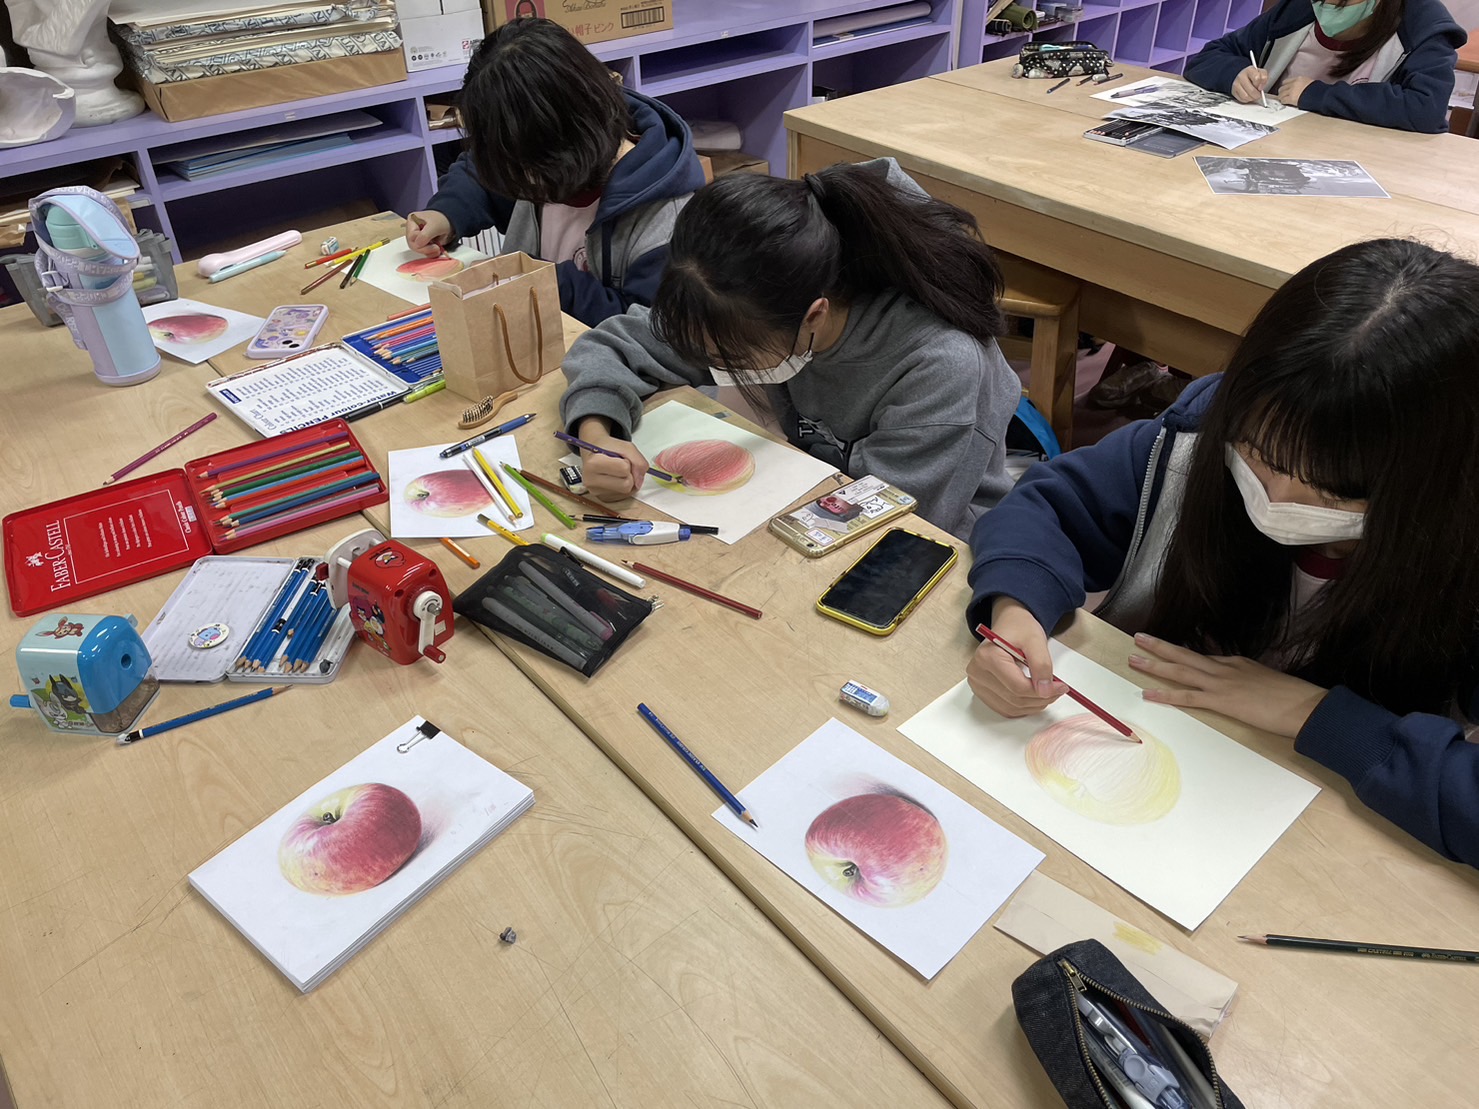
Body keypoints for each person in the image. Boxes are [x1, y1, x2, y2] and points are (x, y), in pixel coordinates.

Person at [963, 238, 1479, 868]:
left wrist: (1315, 713)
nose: (1278, 496)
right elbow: (1047, 508)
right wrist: (1016, 612)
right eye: (1259, 454)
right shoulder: (1189, 442)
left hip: (1334, 839)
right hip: (1158, 777)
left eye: (1337, 491)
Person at [557, 158, 1022, 540]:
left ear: (814, 316)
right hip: (810, 491)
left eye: (732, 359)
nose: (717, 367)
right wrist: (598, 436)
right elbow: (614, 345)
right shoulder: (747, 297)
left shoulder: (938, 365)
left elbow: (890, 519)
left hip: (937, 544)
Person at [405, 18, 706, 326]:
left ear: (569, 143)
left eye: (526, 168)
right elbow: (480, 175)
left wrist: (550, 282)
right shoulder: (535, 156)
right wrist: (447, 213)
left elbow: (653, 331)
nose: (520, 180)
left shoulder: (667, 221)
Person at [1184, 0, 1465, 133]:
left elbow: (1427, 108)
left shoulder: (1423, 25)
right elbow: (1208, 57)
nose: (1328, 6)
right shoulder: (1297, 10)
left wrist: (1317, 95)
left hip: (1367, 164)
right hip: (1276, 146)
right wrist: (1234, 74)